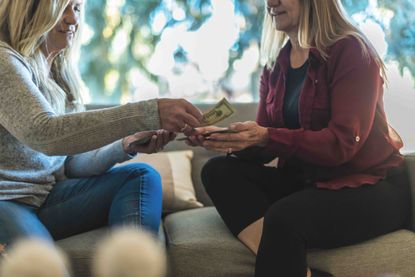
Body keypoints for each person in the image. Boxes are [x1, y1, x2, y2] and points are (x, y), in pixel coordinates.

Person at [185, 0, 410, 276]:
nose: (270, 3)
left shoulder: (352, 50)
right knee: (217, 171)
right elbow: (265, 145)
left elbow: (341, 144)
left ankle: (284, 257)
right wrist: (226, 139)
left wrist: (266, 136)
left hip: (369, 186)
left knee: (284, 217)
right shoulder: (274, 65)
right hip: (310, 183)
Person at [0, 0, 202, 251]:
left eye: (77, 8)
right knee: (43, 267)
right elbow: (44, 133)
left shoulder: (61, 76)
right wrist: (148, 112)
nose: (73, 20)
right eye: (63, 8)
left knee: (141, 176)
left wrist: (124, 145)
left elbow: (71, 164)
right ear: (31, 10)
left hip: (45, 198)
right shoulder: (3, 60)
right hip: (6, 200)